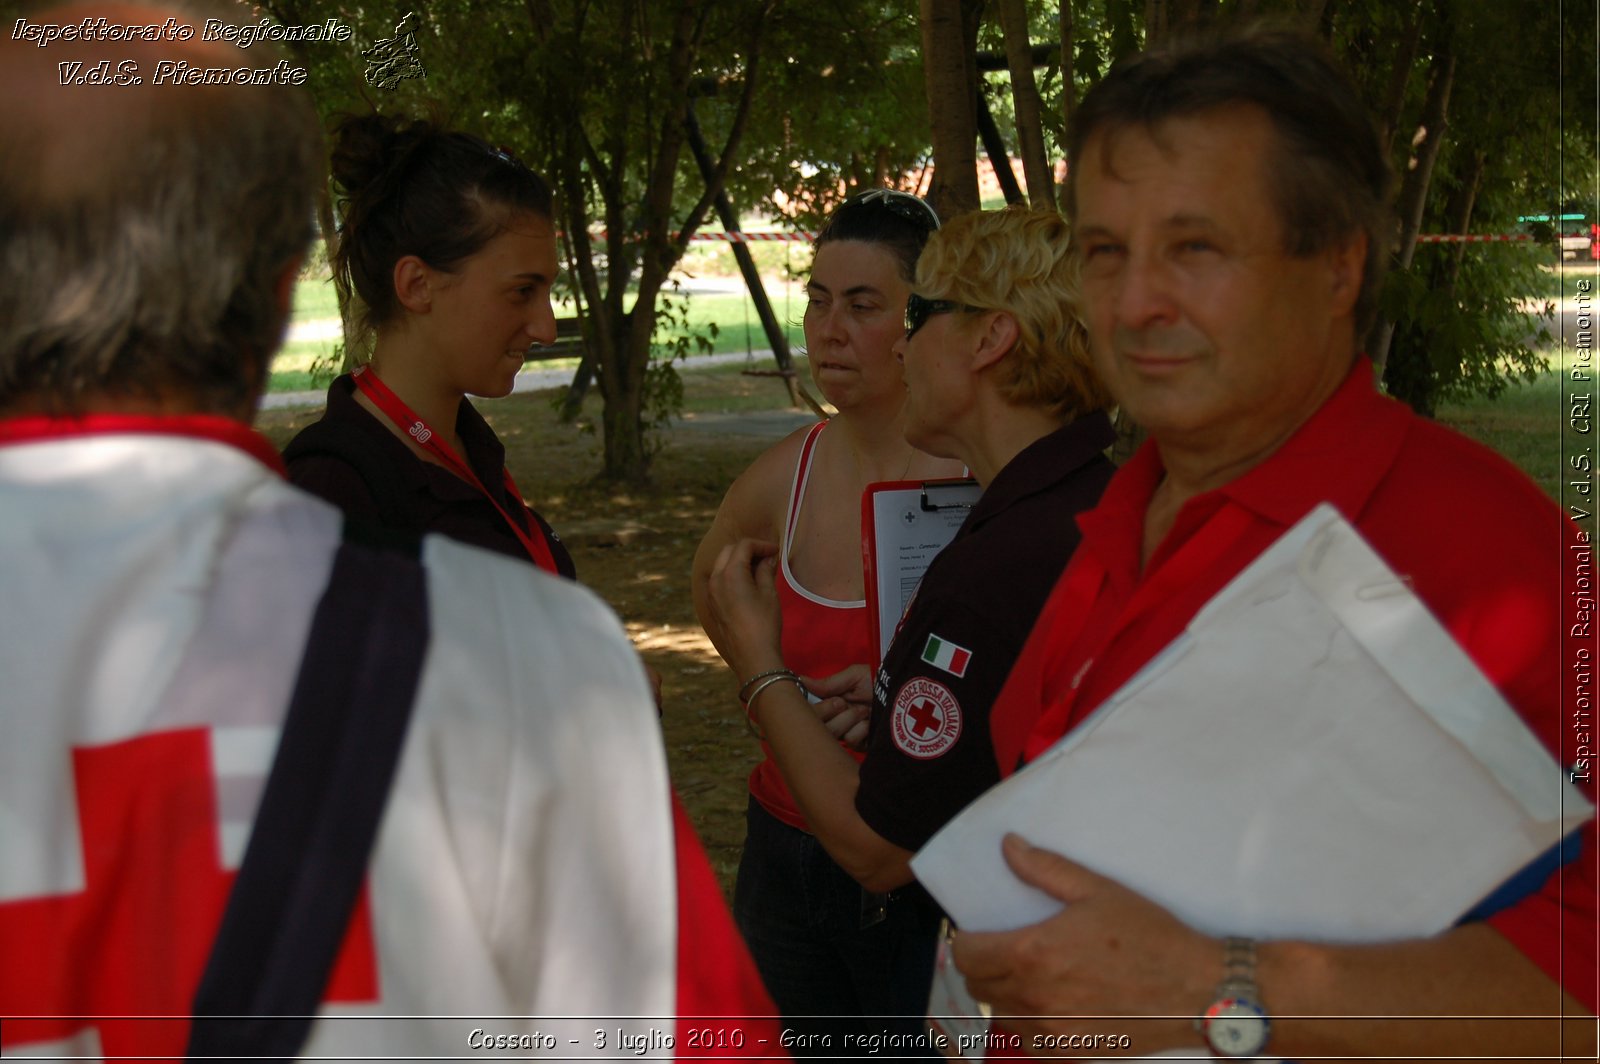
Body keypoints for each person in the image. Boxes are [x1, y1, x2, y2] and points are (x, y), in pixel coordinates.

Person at [0, 3, 778, 1058]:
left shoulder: (468, 483)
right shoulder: (355, 520)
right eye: (524, 289)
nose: (548, 323)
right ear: (289, 284)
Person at [944, 28, 1598, 1059]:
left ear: (1338, 267)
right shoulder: (1131, 499)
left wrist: (1216, 987)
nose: (1134, 302)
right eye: (1105, 252)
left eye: (1195, 248)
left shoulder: (1481, 556)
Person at [703, 206, 1116, 1037]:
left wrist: (759, 663)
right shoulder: (1088, 500)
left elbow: (874, 849)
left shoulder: (996, 562)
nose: (897, 344)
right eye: (819, 300)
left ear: (990, 339)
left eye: (913, 313)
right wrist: (897, 696)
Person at [691, 189, 966, 1046]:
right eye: (816, 299)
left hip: (917, 867)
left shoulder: (974, 480)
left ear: (919, 324)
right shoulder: (787, 474)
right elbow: (718, 594)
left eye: (862, 305)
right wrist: (768, 689)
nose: (828, 328)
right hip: (783, 847)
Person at [283, 112, 574, 577]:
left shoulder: (468, 449)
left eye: (546, 293)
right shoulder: (331, 495)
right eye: (523, 291)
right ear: (417, 284)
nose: (546, 328)